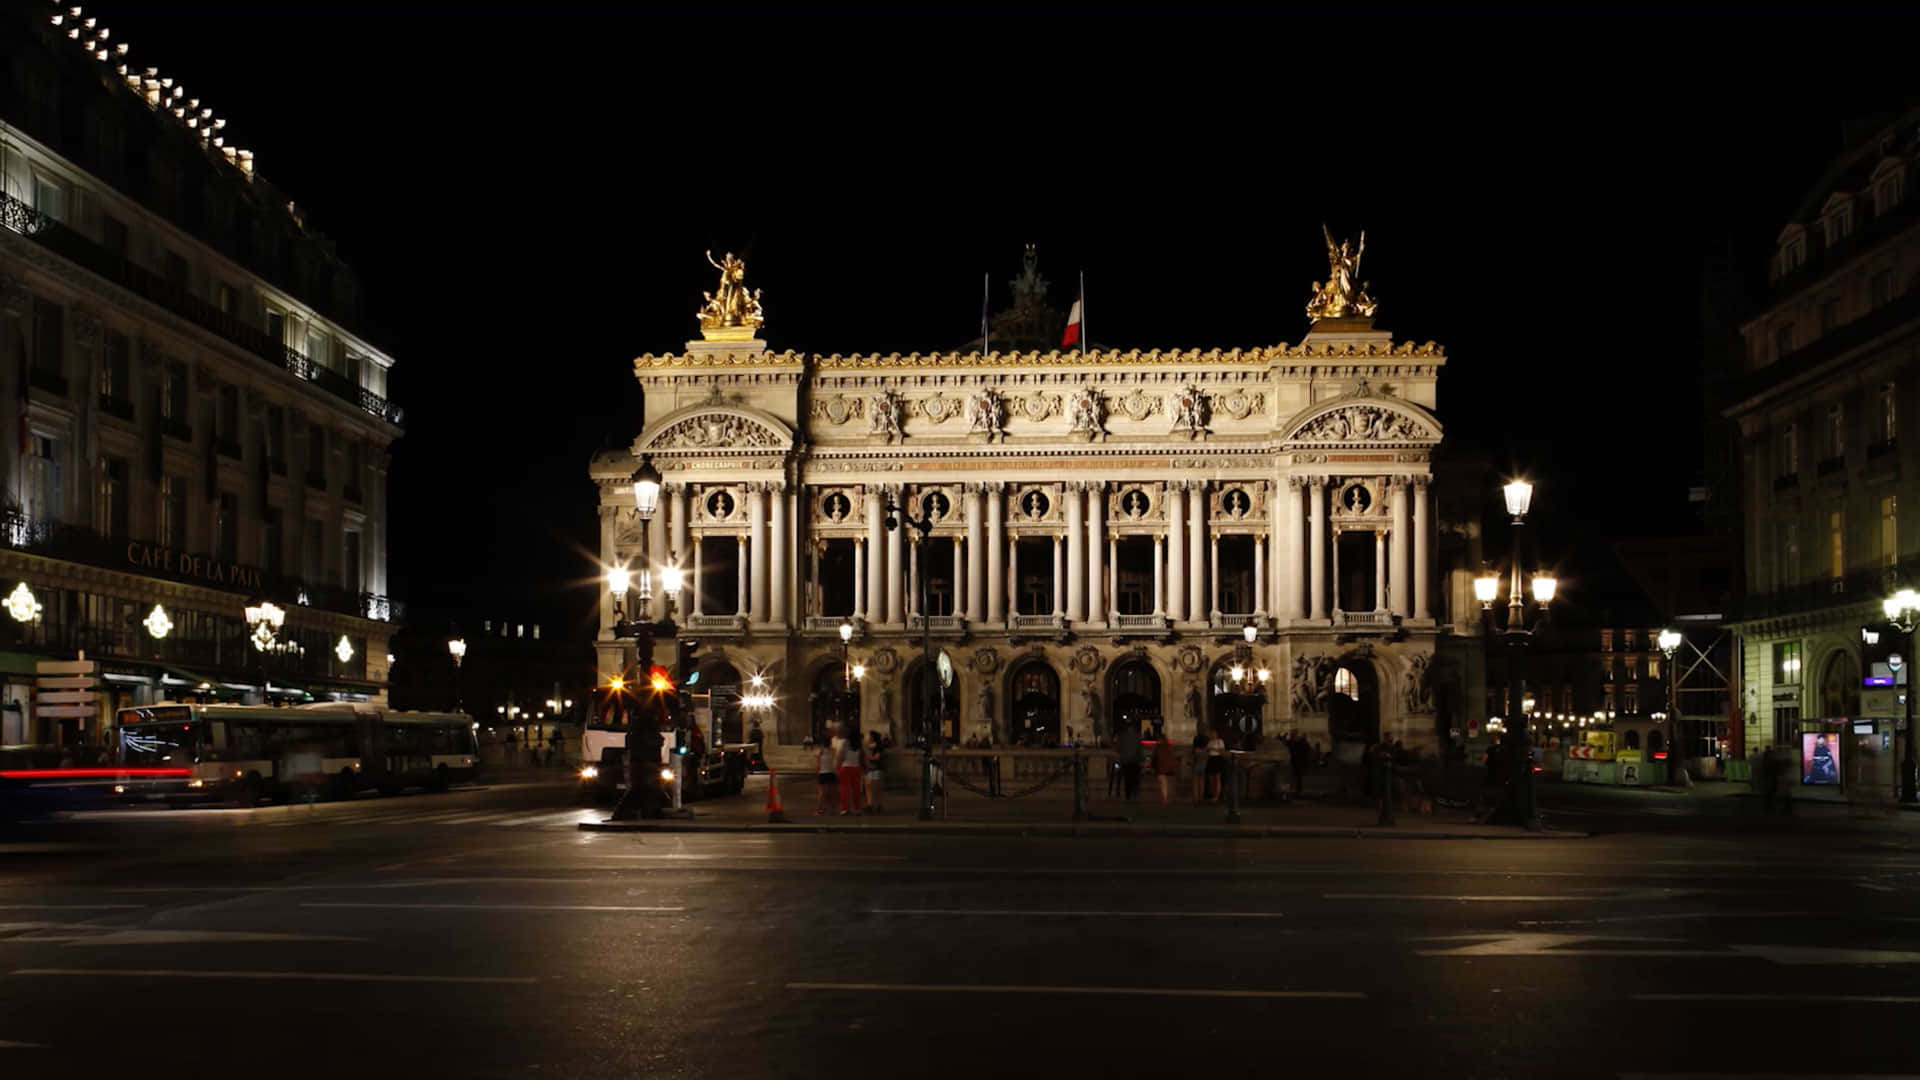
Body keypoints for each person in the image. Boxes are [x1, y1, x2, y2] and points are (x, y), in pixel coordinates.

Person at [834, 725, 864, 815]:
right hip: (856, 767)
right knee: (856, 789)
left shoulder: (844, 742)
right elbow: (861, 756)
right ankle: (857, 808)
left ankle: (845, 808)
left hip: (845, 767)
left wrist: (837, 766)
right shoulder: (858, 744)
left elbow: (840, 755)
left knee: (844, 788)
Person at [1115, 721, 1143, 801]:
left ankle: (1128, 794)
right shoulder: (1137, 737)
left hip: (1125, 760)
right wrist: (1142, 759)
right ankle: (1135, 792)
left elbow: (1118, 748)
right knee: (1135, 778)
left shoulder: (1122, 736)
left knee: (1127, 779)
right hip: (1135, 760)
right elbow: (1140, 749)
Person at [1151, 728, 1179, 805]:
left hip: (1161, 769)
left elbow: (1155, 758)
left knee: (1163, 785)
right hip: (1168, 769)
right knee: (1168, 785)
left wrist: (1153, 767)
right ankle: (1167, 798)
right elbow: (1172, 758)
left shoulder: (1158, 748)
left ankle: (1164, 798)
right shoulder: (1169, 748)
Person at [811, 736, 837, 815]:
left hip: (823, 773)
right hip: (831, 772)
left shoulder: (820, 751)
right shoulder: (833, 750)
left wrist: (816, 771)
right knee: (831, 792)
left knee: (822, 793)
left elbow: (817, 763)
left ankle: (819, 809)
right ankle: (832, 809)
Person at [864, 730, 887, 814]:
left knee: (876, 788)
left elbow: (877, 757)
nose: (866, 737)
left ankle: (878, 806)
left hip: (876, 769)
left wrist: (868, 757)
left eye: (868, 736)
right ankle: (870, 805)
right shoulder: (867, 747)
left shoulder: (878, 747)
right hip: (869, 769)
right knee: (869, 788)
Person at [1205, 726, 1228, 802]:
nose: (1212, 735)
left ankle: (1217, 796)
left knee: (1217, 778)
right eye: (1211, 734)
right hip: (1211, 759)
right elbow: (1207, 751)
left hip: (1217, 759)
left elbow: (1222, 751)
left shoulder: (1220, 741)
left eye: (1214, 733)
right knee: (1211, 778)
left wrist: (1214, 749)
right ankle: (1212, 794)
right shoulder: (1209, 742)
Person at [1190, 728, 1210, 805]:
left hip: (1197, 762)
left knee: (1195, 781)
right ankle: (1200, 797)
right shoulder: (1206, 740)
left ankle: (1196, 797)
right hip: (1203, 762)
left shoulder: (1196, 740)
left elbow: (1194, 751)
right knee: (1201, 781)